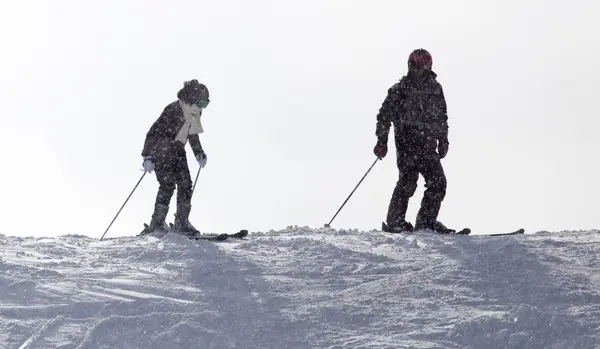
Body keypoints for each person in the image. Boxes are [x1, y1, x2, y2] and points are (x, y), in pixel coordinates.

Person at [374, 48, 454, 234]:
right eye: (415, 65)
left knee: (438, 182)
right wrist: (382, 141)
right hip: (407, 144)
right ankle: (395, 222)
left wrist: (443, 140)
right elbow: (384, 117)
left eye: (421, 66)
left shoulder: (435, 89)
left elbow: (441, 117)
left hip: (427, 145)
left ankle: (426, 222)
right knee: (408, 181)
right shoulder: (399, 90)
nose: (417, 70)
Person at [139, 79, 210, 237]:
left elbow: (192, 134)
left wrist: (199, 152)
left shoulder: (195, 112)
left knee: (186, 184)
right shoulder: (173, 109)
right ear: (191, 99)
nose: (202, 107)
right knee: (168, 184)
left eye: (206, 104)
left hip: (178, 151)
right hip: (161, 150)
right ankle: (157, 224)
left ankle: (182, 223)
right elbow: (153, 132)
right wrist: (148, 156)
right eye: (201, 103)